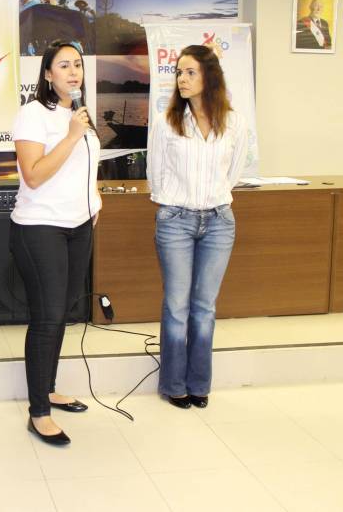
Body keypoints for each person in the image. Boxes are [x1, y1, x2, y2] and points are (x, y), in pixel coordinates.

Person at [146, 45, 249, 410]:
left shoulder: (233, 122)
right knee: (177, 306)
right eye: (179, 72)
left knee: (204, 306)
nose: (182, 79)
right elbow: (155, 173)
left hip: (219, 221)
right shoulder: (167, 121)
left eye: (190, 72)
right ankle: (174, 385)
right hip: (176, 219)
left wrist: (213, 197)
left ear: (209, 76)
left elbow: (233, 172)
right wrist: (176, 202)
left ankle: (199, 383)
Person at [11, 40, 101, 446]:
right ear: (47, 74)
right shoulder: (33, 115)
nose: (73, 71)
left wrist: (94, 203)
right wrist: (70, 135)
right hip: (40, 227)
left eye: (77, 65)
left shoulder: (78, 115)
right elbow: (33, 175)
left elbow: (85, 166)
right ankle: (38, 412)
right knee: (46, 317)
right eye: (63, 65)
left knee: (62, 312)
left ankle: (48, 388)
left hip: (78, 224)